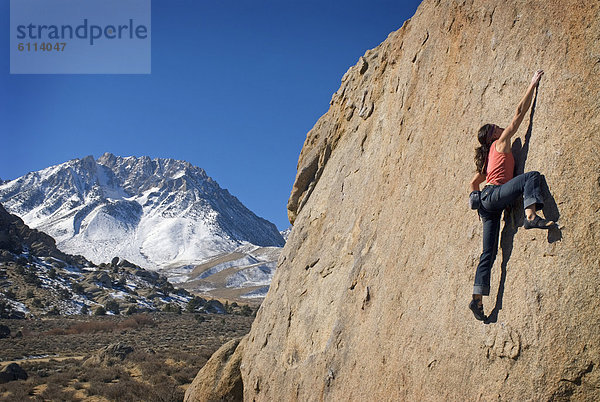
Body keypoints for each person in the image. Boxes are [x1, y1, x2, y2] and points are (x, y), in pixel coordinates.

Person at [468, 70, 555, 321]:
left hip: (488, 203)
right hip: (494, 197)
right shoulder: (502, 142)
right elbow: (519, 114)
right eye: (496, 128)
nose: (500, 127)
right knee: (531, 177)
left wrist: (476, 202)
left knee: (490, 254)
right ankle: (530, 216)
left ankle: (477, 299)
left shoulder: (488, 159)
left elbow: (474, 181)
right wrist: (532, 85)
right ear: (494, 136)